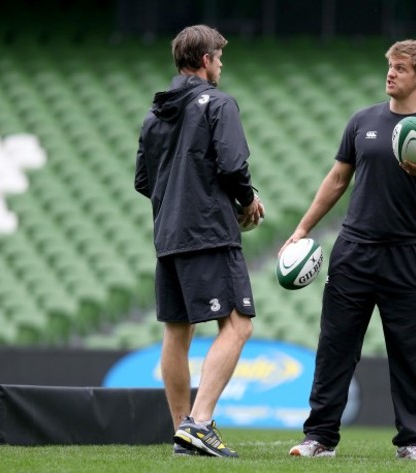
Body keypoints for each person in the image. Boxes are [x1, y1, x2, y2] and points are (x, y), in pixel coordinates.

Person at [284, 39, 416, 461]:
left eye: (401, 68)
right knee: (335, 345)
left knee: (411, 352)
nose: (390, 73)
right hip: (354, 251)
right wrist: (302, 228)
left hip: (410, 254)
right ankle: (319, 439)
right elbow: (336, 180)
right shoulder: (362, 121)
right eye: (390, 66)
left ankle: (413, 442)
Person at [134, 24, 263, 458]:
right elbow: (232, 165)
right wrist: (247, 201)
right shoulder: (219, 103)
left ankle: (182, 431)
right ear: (205, 60)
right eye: (219, 58)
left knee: (177, 332)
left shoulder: (155, 115)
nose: (221, 64)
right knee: (238, 324)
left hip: (167, 235)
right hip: (207, 231)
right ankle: (200, 421)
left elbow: (142, 181)